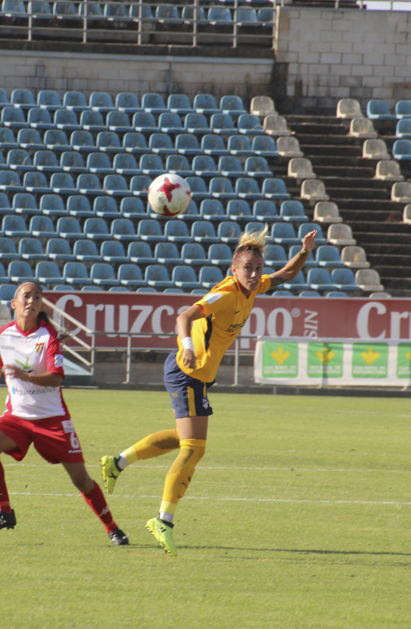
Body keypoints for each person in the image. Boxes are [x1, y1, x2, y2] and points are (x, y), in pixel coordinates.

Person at [100, 226, 318, 556]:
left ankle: (117, 462)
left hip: (199, 377)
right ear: (234, 268)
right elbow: (185, 315)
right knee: (194, 448)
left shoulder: (255, 287)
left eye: (258, 268)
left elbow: (286, 274)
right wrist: (187, 345)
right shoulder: (227, 293)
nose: (255, 274)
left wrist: (304, 252)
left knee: (182, 437)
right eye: (248, 268)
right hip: (186, 371)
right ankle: (163, 519)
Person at [0, 281, 128, 546]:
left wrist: (27, 377)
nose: (31, 300)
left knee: (80, 479)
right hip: (17, 417)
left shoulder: (49, 335)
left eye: (37, 297)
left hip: (52, 419)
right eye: (26, 296)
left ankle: (113, 528)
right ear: (14, 303)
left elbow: (57, 378)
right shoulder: (1, 335)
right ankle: (5, 512)